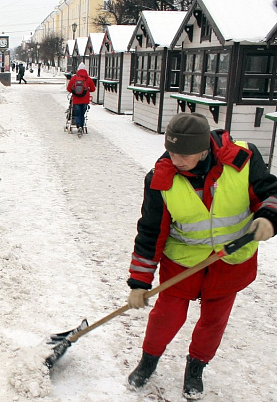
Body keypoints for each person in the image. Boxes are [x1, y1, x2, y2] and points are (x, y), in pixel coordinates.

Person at [126, 113, 277, 399]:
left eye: (184, 154)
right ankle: (148, 361)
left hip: (230, 262)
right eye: (171, 151)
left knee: (214, 321)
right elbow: (150, 233)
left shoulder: (242, 160)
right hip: (182, 262)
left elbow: (271, 193)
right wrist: (139, 281)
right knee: (166, 317)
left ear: (205, 149)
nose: (176, 159)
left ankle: (196, 368)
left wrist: (269, 216)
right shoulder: (161, 179)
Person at [66, 62, 95, 134]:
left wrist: (74, 91)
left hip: (76, 100)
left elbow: (69, 89)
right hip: (85, 100)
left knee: (77, 114)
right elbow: (93, 89)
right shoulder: (88, 79)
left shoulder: (74, 78)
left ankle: (78, 126)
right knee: (83, 114)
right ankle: (82, 126)